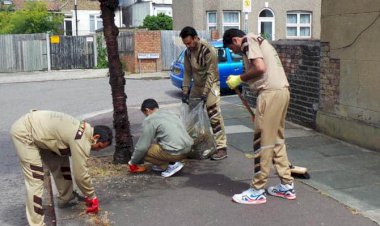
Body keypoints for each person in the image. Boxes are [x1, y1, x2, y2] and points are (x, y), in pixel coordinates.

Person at [222, 28, 295, 204]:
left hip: (270, 93)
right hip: (282, 91)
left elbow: (260, 68)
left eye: (231, 48)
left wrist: (239, 78)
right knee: (276, 140)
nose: (234, 52)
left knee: (262, 141)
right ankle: (286, 185)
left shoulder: (247, 41)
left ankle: (257, 190)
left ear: (235, 40)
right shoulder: (261, 41)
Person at [10, 110, 113, 226]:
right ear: (96, 137)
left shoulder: (84, 130)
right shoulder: (81, 139)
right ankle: (36, 223)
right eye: (99, 146)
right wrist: (91, 196)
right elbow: (81, 175)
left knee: (61, 161)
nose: (97, 150)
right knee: (36, 178)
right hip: (25, 133)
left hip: (40, 131)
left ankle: (66, 197)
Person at [179, 26, 228, 160]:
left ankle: (221, 147)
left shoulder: (208, 50)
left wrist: (205, 94)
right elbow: (188, 73)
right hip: (198, 85)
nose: (188, 46)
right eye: (185, 44)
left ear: (195, 38)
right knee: (192, 114)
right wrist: (185, 91)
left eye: (189, 43)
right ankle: (196, 144)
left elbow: (211, 74)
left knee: (213, 113)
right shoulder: (187, 52)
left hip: (211, 85)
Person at [128, 98, 193, 177]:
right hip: (188, 148)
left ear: (147, 110)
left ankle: (171, 165)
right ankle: (170, 163)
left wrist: (132, 162)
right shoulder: (169, 113)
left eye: (145, 113)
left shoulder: (150, 120)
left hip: (175, 152)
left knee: (144, 151)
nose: (145, 116)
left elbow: (141, 147)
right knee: (159, 142)